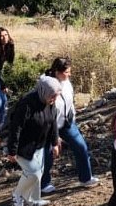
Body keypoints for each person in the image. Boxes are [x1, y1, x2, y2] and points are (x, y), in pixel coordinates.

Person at [41, 57, 98, 194]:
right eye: (67, 72)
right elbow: (47, 110)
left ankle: (86, 178)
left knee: (81, 147)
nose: (69, 74)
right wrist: (56, 138)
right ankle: (44, 183)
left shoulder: (66, 82)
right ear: (57, 72)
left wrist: (73, 116)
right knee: (47, 155)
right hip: (49, 126)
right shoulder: (46, 84)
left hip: (67, 122)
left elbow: (70, 101)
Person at [6, 75, 60, 206]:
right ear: (44, 92)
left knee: (39, 173)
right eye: (52, 96)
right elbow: (16, 127)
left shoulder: (51, 104)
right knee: (33, 173)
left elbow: (53, 123)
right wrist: (12, 150)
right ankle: (17, 195)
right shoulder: (27, 103)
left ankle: (32, 201)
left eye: (56, 96)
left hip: (39, 145)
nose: (54, 99)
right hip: (23, 146)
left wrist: (54, 143)